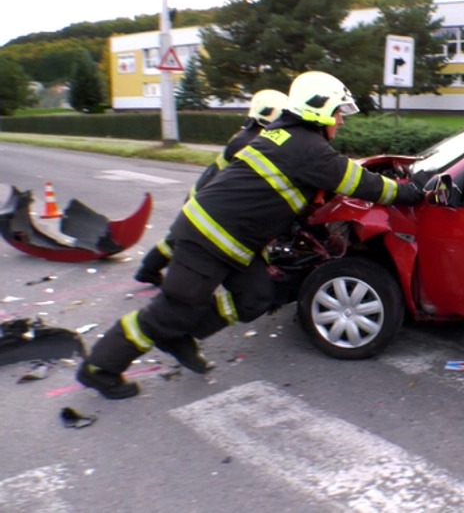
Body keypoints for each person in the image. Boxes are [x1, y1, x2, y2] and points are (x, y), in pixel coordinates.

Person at [77, 71, 425, 399]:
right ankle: (101, 367)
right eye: (337, 112)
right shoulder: (307, 148)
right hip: (208, 239)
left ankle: (182, 335)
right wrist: (414, 192)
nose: (340, 120)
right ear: (319, 110)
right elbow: (362, 183)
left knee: (257, 296)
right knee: (171, 310)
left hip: (233, 242)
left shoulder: (286, 135)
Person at [134, 89, 289, 287]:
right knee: (179, 239)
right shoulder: (252, 141)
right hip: (207, 198)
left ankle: (148, 269)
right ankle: (149, 270)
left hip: (204, 192)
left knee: (176, 238)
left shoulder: (247, 135)